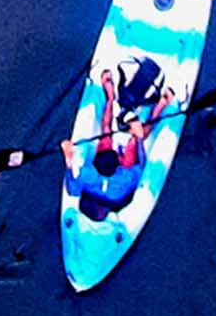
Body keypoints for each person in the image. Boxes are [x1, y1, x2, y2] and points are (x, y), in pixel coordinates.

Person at [70, 56, 165, 221]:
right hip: (121, 168)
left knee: (106, 130)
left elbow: (73, 186)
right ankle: (159, 107)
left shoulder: (88, 176)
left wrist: (68, 156)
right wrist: (139, 139)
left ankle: (111, 97)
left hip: (108, 167)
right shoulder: (122, 183)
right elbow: (142, 165)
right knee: (136, 139)